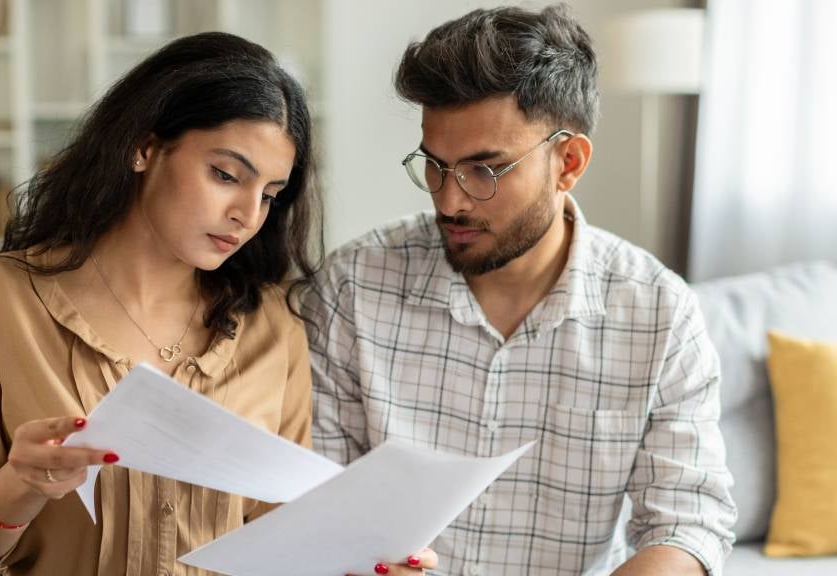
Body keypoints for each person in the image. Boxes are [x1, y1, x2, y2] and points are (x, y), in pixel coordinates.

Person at [0, 32, 433, 576]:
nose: (247, 214)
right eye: (226, 175)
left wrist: (356, 560)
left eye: (269, 194)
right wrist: (19, 484)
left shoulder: (273, 324)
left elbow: (282, 538)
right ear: (143, 147)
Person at [305, 5, 737, 576]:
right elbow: (316, 497)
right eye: (435, 166)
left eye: (486, 170)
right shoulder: (352, 287)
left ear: (569, 162)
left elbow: (687, 520)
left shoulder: (659, 312)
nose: (449, 200)